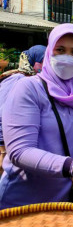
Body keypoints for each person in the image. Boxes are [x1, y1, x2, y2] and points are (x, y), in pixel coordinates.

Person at [0, 24, 73, 209]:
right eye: (60, 50)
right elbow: (20, 151)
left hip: (68, 203)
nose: (67, 57)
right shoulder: (29, 89)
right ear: (49, 53)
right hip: (22, 203)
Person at [0, 45, 46, 175]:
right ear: (32, 61)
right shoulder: (18, 79)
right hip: (7, 148)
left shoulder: (39, 82)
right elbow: (1, 114)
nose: (44, 65)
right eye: (41, 61)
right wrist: (3, 150)